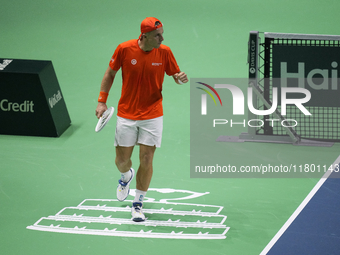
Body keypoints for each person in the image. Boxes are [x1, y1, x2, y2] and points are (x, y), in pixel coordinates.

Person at [95, 17, 188, 222]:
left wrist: (179, 77)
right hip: (127, 114)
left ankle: (137, 203)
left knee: (147, 158)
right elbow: (110, 73)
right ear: (144, 36)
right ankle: (126, 176)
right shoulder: (125, 49)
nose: (161, 38)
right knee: (121, 161)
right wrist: (102, 101)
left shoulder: (164, 52)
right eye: (157, 35)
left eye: (162, 33)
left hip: (152, 114)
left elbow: (174, 73)